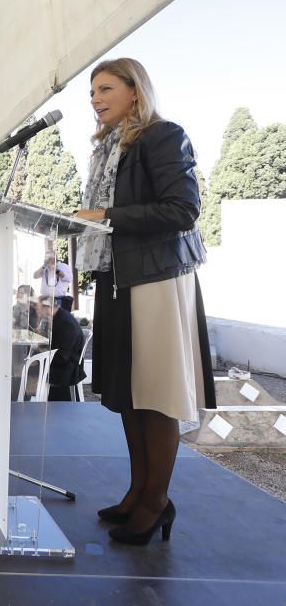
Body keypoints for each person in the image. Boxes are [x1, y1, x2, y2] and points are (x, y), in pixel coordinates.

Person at [74, 58, 214, 546]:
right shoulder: (108, 150)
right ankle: (139, 491)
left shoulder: (162, 135)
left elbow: (183, 209)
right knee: (130, 395)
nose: (95, 98)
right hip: (116, 278)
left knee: (155, 396)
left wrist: (106, 215)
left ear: (136, 92)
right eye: (92, 91)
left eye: (105, 88)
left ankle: (157, 501)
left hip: (154, 277)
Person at [34, 296, 87, 401]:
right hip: (61, 360)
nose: (37, 311)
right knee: (27, 365)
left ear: (48, 308)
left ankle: (27, 402)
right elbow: (47, 343)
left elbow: (62, 357)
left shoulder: (66, 323)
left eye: (38, 308)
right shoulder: (56, 317)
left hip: (67, 368)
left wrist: (38, 362)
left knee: (25, 369)